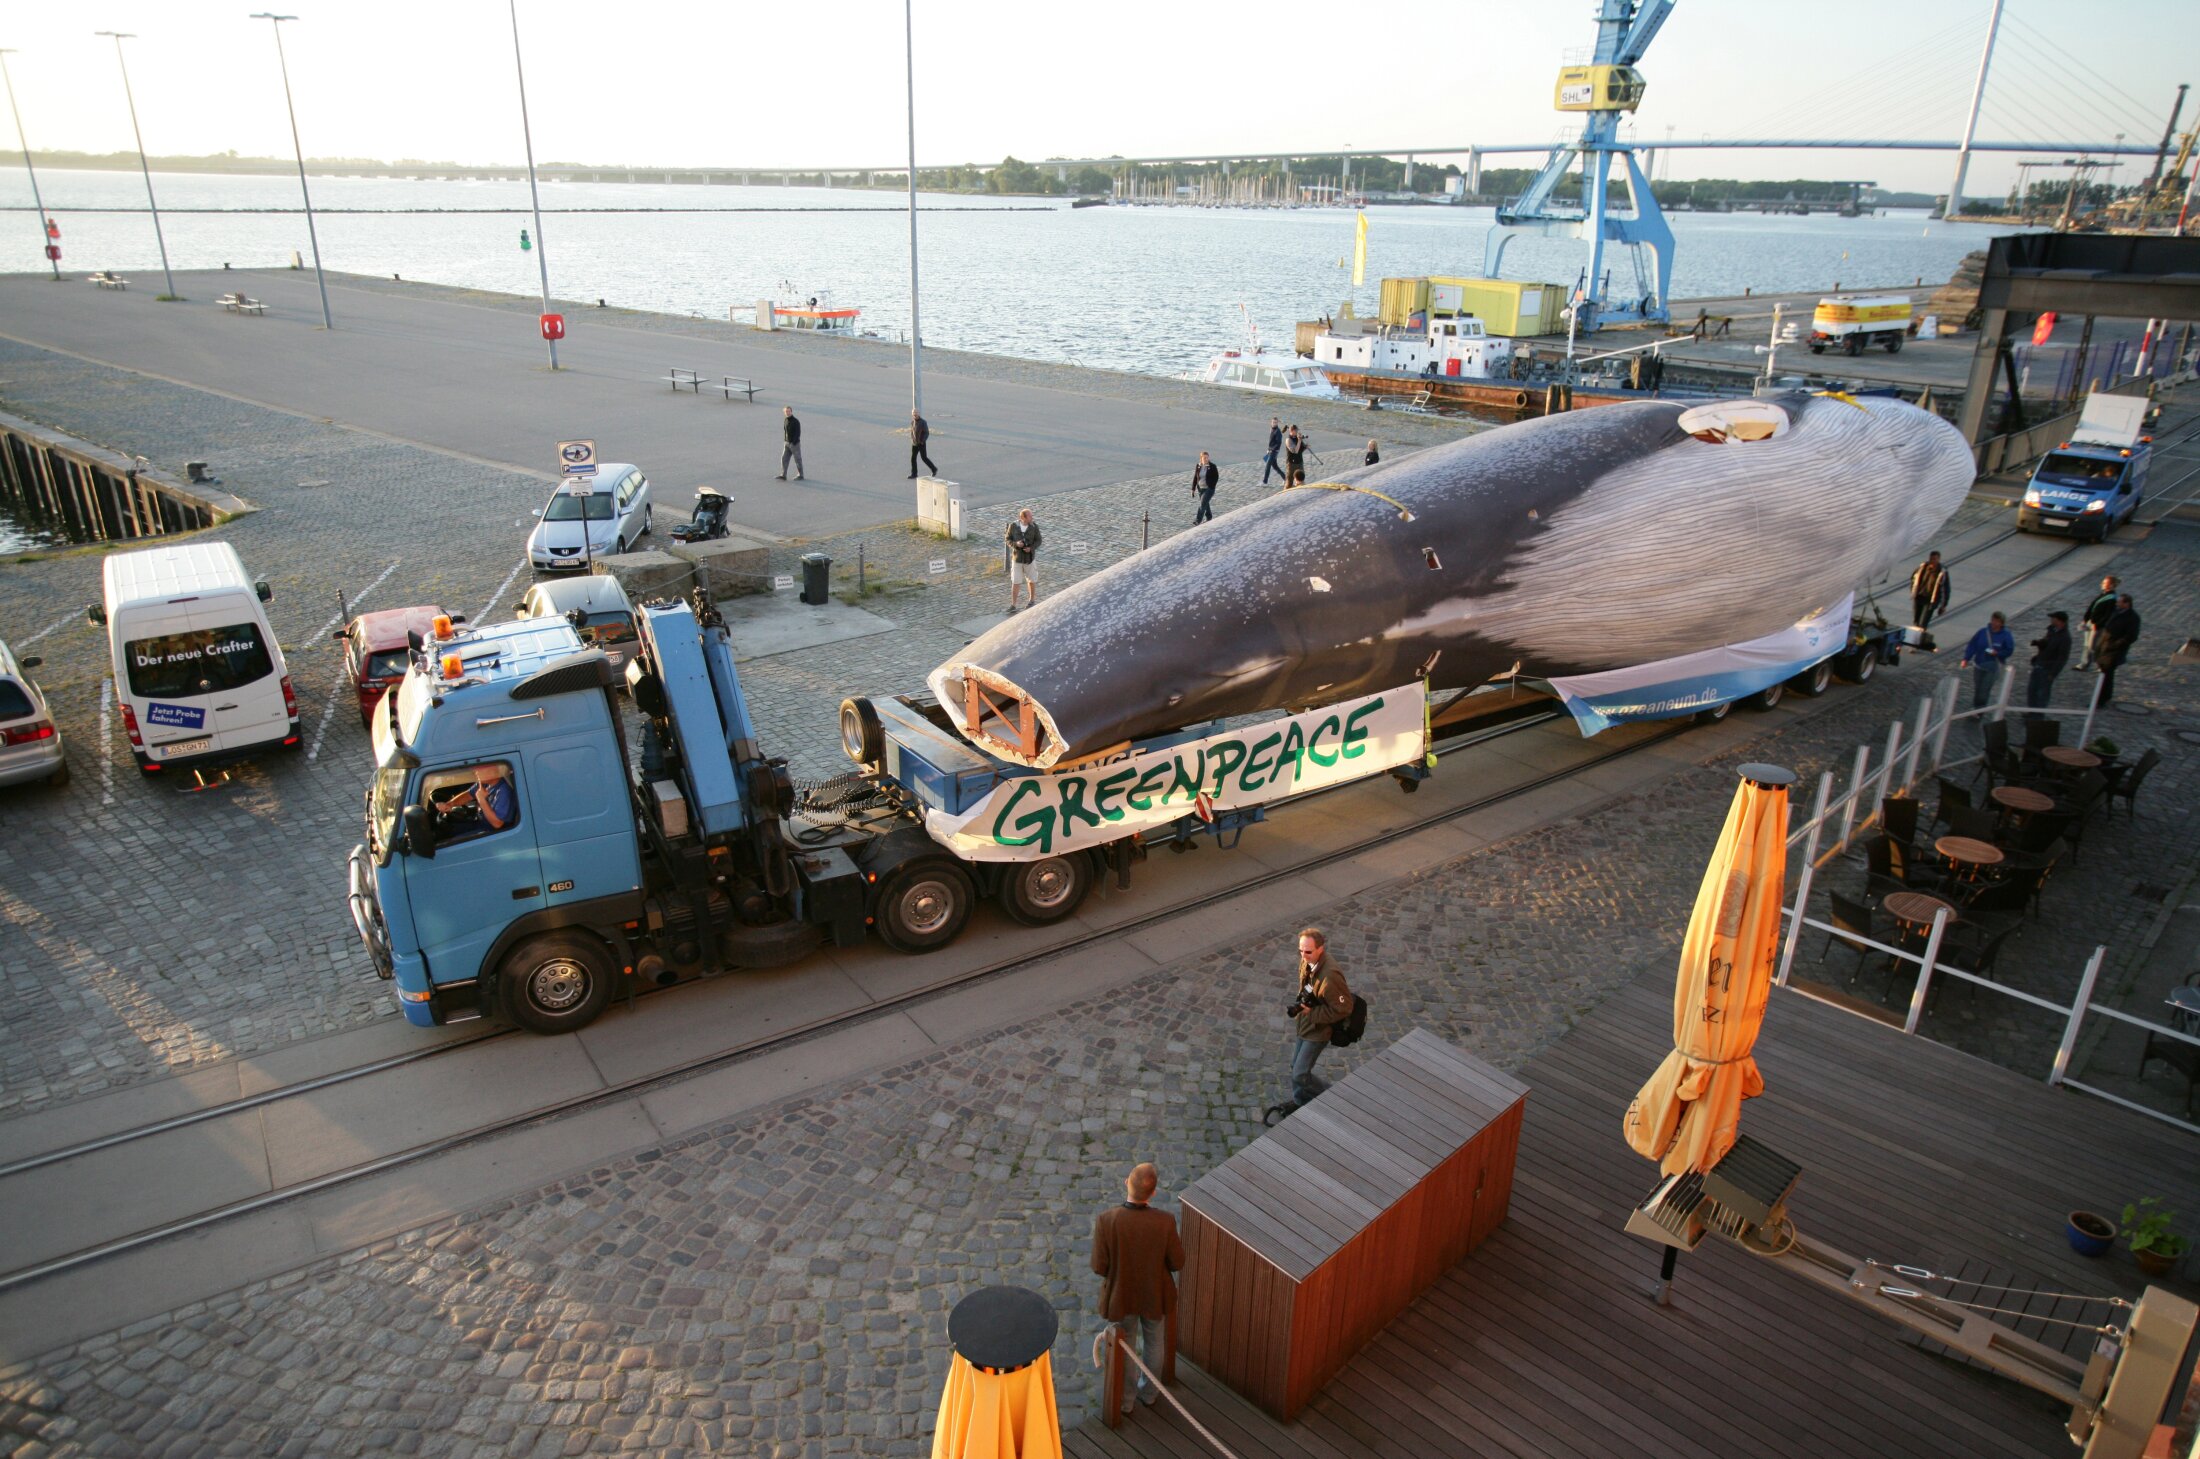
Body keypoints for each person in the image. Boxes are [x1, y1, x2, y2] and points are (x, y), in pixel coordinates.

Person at [1090, 1162, 1183, 1414]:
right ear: (1153, 1193)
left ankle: (1126, 1401)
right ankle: (1150, 1394)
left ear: (1125, 1183)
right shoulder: (1165, 1221)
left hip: (1122, 1296)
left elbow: (1099, 1266)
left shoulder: (1107, 1220)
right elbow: (1177, 1262)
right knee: (1154, 1343)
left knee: (1126, 1345)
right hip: (1155, 1295)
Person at [1282, 927, 1352, 1112]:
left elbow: (1344, 1008)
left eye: (1308, 951)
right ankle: (1299, 1102)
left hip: (1318, 1030)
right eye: (1301, 951)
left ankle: (1331, 1095)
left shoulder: (1330, 976)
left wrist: (1311, 1014)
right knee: (1295, 1067)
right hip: (1305, 1025)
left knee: (1300, 1073)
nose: (1303, 955)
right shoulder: (1308, 962)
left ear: (1321, 948)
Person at [1959, 611, 2015, 710]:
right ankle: (1977, 707)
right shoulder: (1982, 632)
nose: (1994, 623)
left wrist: (1998, 653)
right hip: (1979, 665)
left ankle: (1979, 710)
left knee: (1984, 690)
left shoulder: (2006, 635)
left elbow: (2009, 650)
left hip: (1992, 667)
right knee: (1978, 688)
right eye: (1993, 620)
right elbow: (1972, 645)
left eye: (1997, 621)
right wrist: (1966, 658)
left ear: (2001, 623)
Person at [2097, 594, 2141, 707]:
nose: (2117, 604)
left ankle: (2102, 700)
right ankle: (2104, 696)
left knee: (2107, 676)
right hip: (2104, 647)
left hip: (2114, 652)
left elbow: (2131, 636)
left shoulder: (2133, 618)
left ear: (2126, 604)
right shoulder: (2117, 612)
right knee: (2105, 674)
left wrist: (2115, 645)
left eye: (2119, 602)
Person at [2026, 610, 2071, 712]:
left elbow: (2062, 658)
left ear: (2060, 621)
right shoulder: (2052, 630)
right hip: (2039, 664)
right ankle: (2031, 711)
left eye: (2053, 618)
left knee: (2042, 693)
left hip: (2048, 669)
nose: (2051, 620)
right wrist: (2038, 643)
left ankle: (2038, 715)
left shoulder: (2065, 638)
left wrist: (2053, 673)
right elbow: (2046, 642)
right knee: (2032, 690)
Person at [1006, 508, 1041, 613]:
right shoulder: (1013, 526)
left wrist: (1031, 548)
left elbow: (1039, 540)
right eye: (1030, 516)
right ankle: (1013, 605)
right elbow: (1008, 539)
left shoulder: (1034, 527)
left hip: (1029, 559)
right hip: (1017, 559)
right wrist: (1016, 544)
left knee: (1031, 580)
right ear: (1023, 517)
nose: (1032, 518)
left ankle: (1031, 600)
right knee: (1015, 581)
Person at [2082, 575, 2120, 666]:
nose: (2101, 584)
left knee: (2093, 646)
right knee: (2087, 644)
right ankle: (2085, 663)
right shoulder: (2104, 594)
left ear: (2111, 585)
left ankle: (2098, 663)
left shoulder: (2112, 598)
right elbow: (2092, 606)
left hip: (2097, 626)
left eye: (2104, 583)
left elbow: (2107, 615)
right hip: (2091, 622)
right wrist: (2086, 618)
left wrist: (2098, 625)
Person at [1909, 551, 1951, 630]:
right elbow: (1913, 578)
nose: (1932, 561)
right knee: (1916, 621)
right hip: (1919, 597)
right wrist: (1913, 591)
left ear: (1939, 559)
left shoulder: (1942, 572)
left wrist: (1943, 606)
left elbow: (1946, 589)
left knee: (1923, 623)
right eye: (1931, 559)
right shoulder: (1922, 567)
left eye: (1935, 559)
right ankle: (1915, 637)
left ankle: (1920, 638)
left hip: (1930, 601)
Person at [1190, 451, 1219, 525]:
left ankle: (1198, 520)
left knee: (1202, 503)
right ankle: (1209, 517)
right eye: (1204, 458)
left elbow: (1216, 477)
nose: (1206, 459)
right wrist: (1193, 489)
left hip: (1209, 489)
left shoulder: (1212, 466)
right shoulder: (1198, 466)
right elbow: (1195, 478)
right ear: (1201, 458)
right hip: (1200, 488)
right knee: (1205, 504)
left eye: (1207, 458)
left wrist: (1211, 486)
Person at [778, 405, 804, 481]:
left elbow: (798, 433)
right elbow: (785, 431)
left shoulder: (796, 421)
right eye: (786, 411)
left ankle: (801, 475)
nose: (787, 412)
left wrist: (793, 442)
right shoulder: (785, 420)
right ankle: (783, 475)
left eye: (789, 411)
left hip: (794, 444)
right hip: (786, 443)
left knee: (797, 459)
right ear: (784, 412)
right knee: (784, 458)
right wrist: (785, 441)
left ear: (791, 411)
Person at [909, 409, 937, 479]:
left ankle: (934, 469)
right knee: (913, 458)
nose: (915, 414)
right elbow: (912, 432)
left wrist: (922, 441)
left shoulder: (923, 422)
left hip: (921, 444)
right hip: (914, 444)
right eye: (913, 413)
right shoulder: (912, 422)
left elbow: (926, 433)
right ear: (912, 414)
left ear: (919, 413)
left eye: (916, 413)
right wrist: (912, 439)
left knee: (924, 458)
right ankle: (914, 474)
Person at [1261, 417, 1284, 485]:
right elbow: (1271, 442)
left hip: (1274, 451)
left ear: (1277, 423)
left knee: (1268, 466)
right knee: (1275, 466)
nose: (1274, 424)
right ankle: (1285, 478)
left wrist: (1272, 450)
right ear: (1271, 422)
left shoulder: (1277, 431)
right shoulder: (1272, 429)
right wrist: (1268, 449)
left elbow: (1279, 443)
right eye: (1273, 422)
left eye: (1276, 422)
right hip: (1271, 450)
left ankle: (1265, 482)